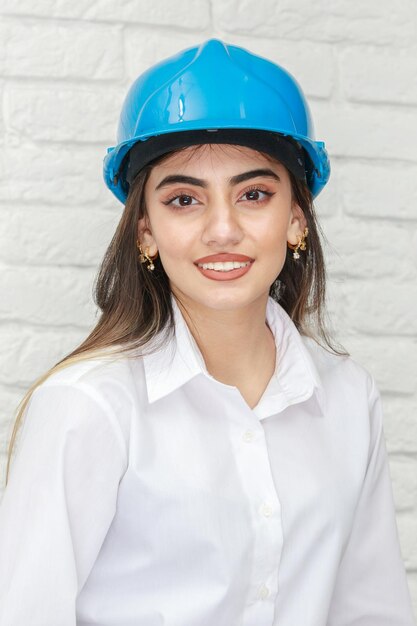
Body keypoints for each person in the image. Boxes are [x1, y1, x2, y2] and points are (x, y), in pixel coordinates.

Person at [0, 38, 415, 626]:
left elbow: (372, 612)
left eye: (254, 194)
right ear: (145, 231)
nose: (222, 229)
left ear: (296, 217)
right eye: (184, 199)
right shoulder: (88, 407)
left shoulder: (348, 399)